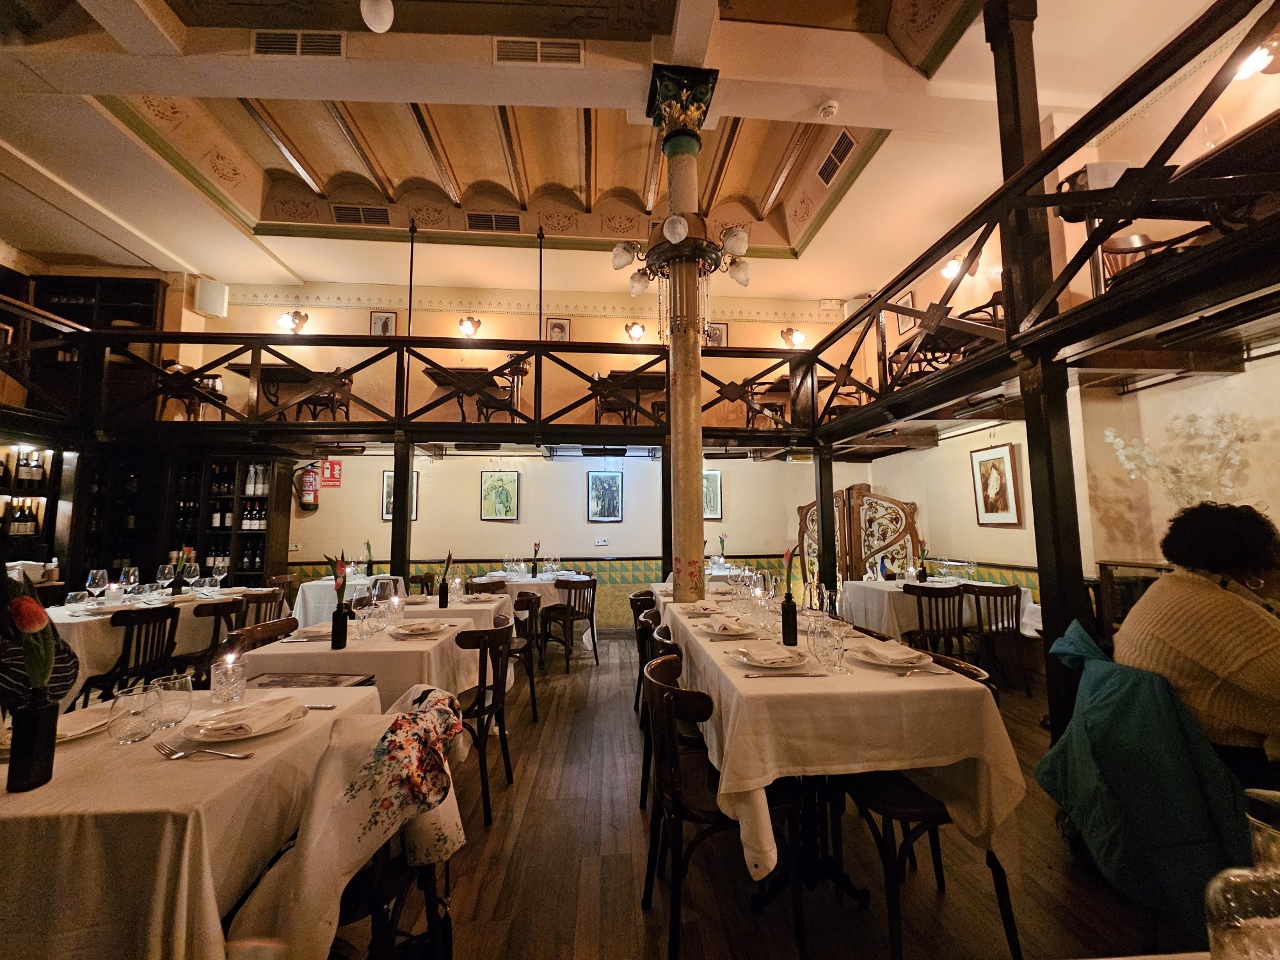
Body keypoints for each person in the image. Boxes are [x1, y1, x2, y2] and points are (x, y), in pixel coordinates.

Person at [1113, 501, 1280, 788]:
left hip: (1168, 755)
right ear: (1252, 572)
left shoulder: (1169, 587)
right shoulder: (1225, 612)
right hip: (1224, 766)